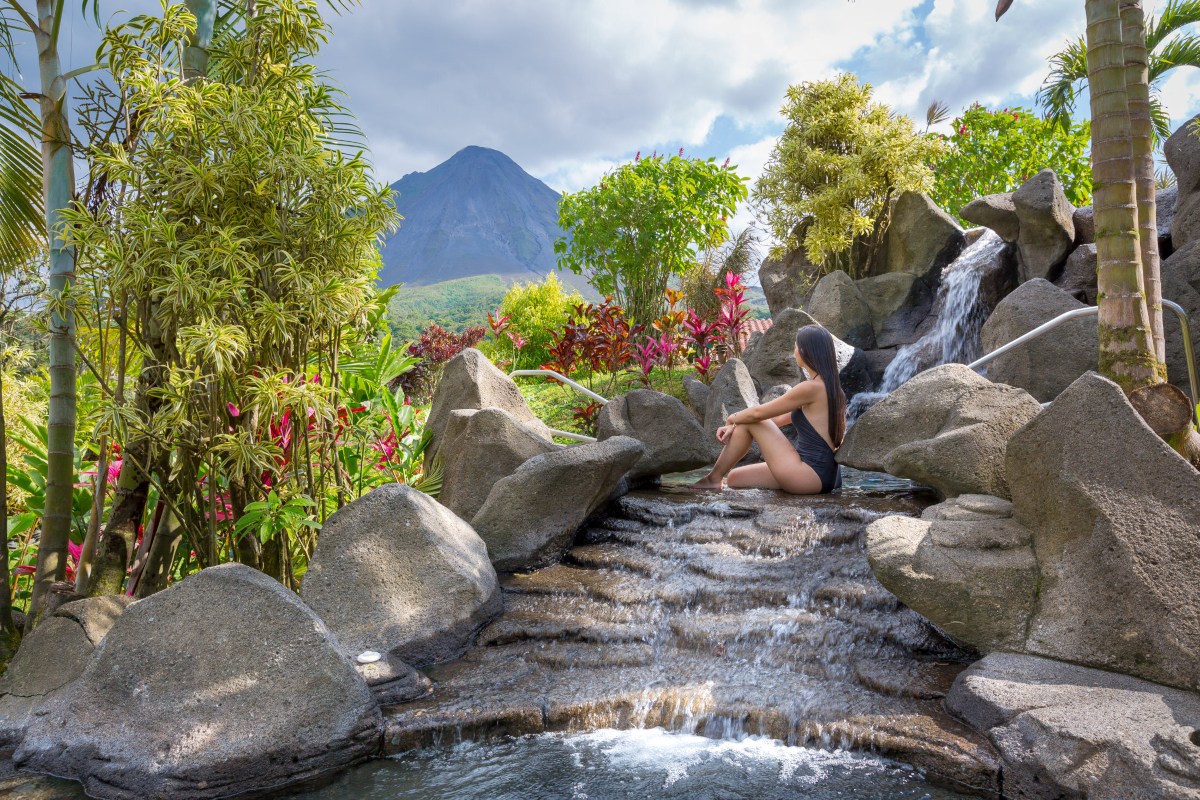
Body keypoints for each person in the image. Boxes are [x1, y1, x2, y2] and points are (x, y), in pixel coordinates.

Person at [691, 325, 846, 494]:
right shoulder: (832, 390)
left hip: (809, 475)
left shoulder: (811, 388)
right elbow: (777, 420)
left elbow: (758, 414)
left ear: (804, 350)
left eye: (795, 347)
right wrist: (737, 424)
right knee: (735, 478)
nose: (794, 353)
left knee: (752, 420)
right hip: (826, 476)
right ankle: (715, 478)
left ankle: (712, 479)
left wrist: (731, 419)